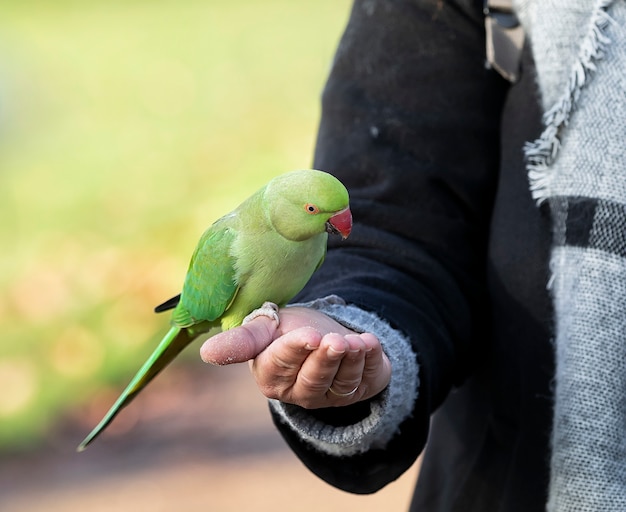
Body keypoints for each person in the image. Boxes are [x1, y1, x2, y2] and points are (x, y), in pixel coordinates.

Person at [201, 1, 626, 510]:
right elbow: (399, 218)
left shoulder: (317, 230)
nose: (338, 225)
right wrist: (353, 334)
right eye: (319, 210)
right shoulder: (235, 242)